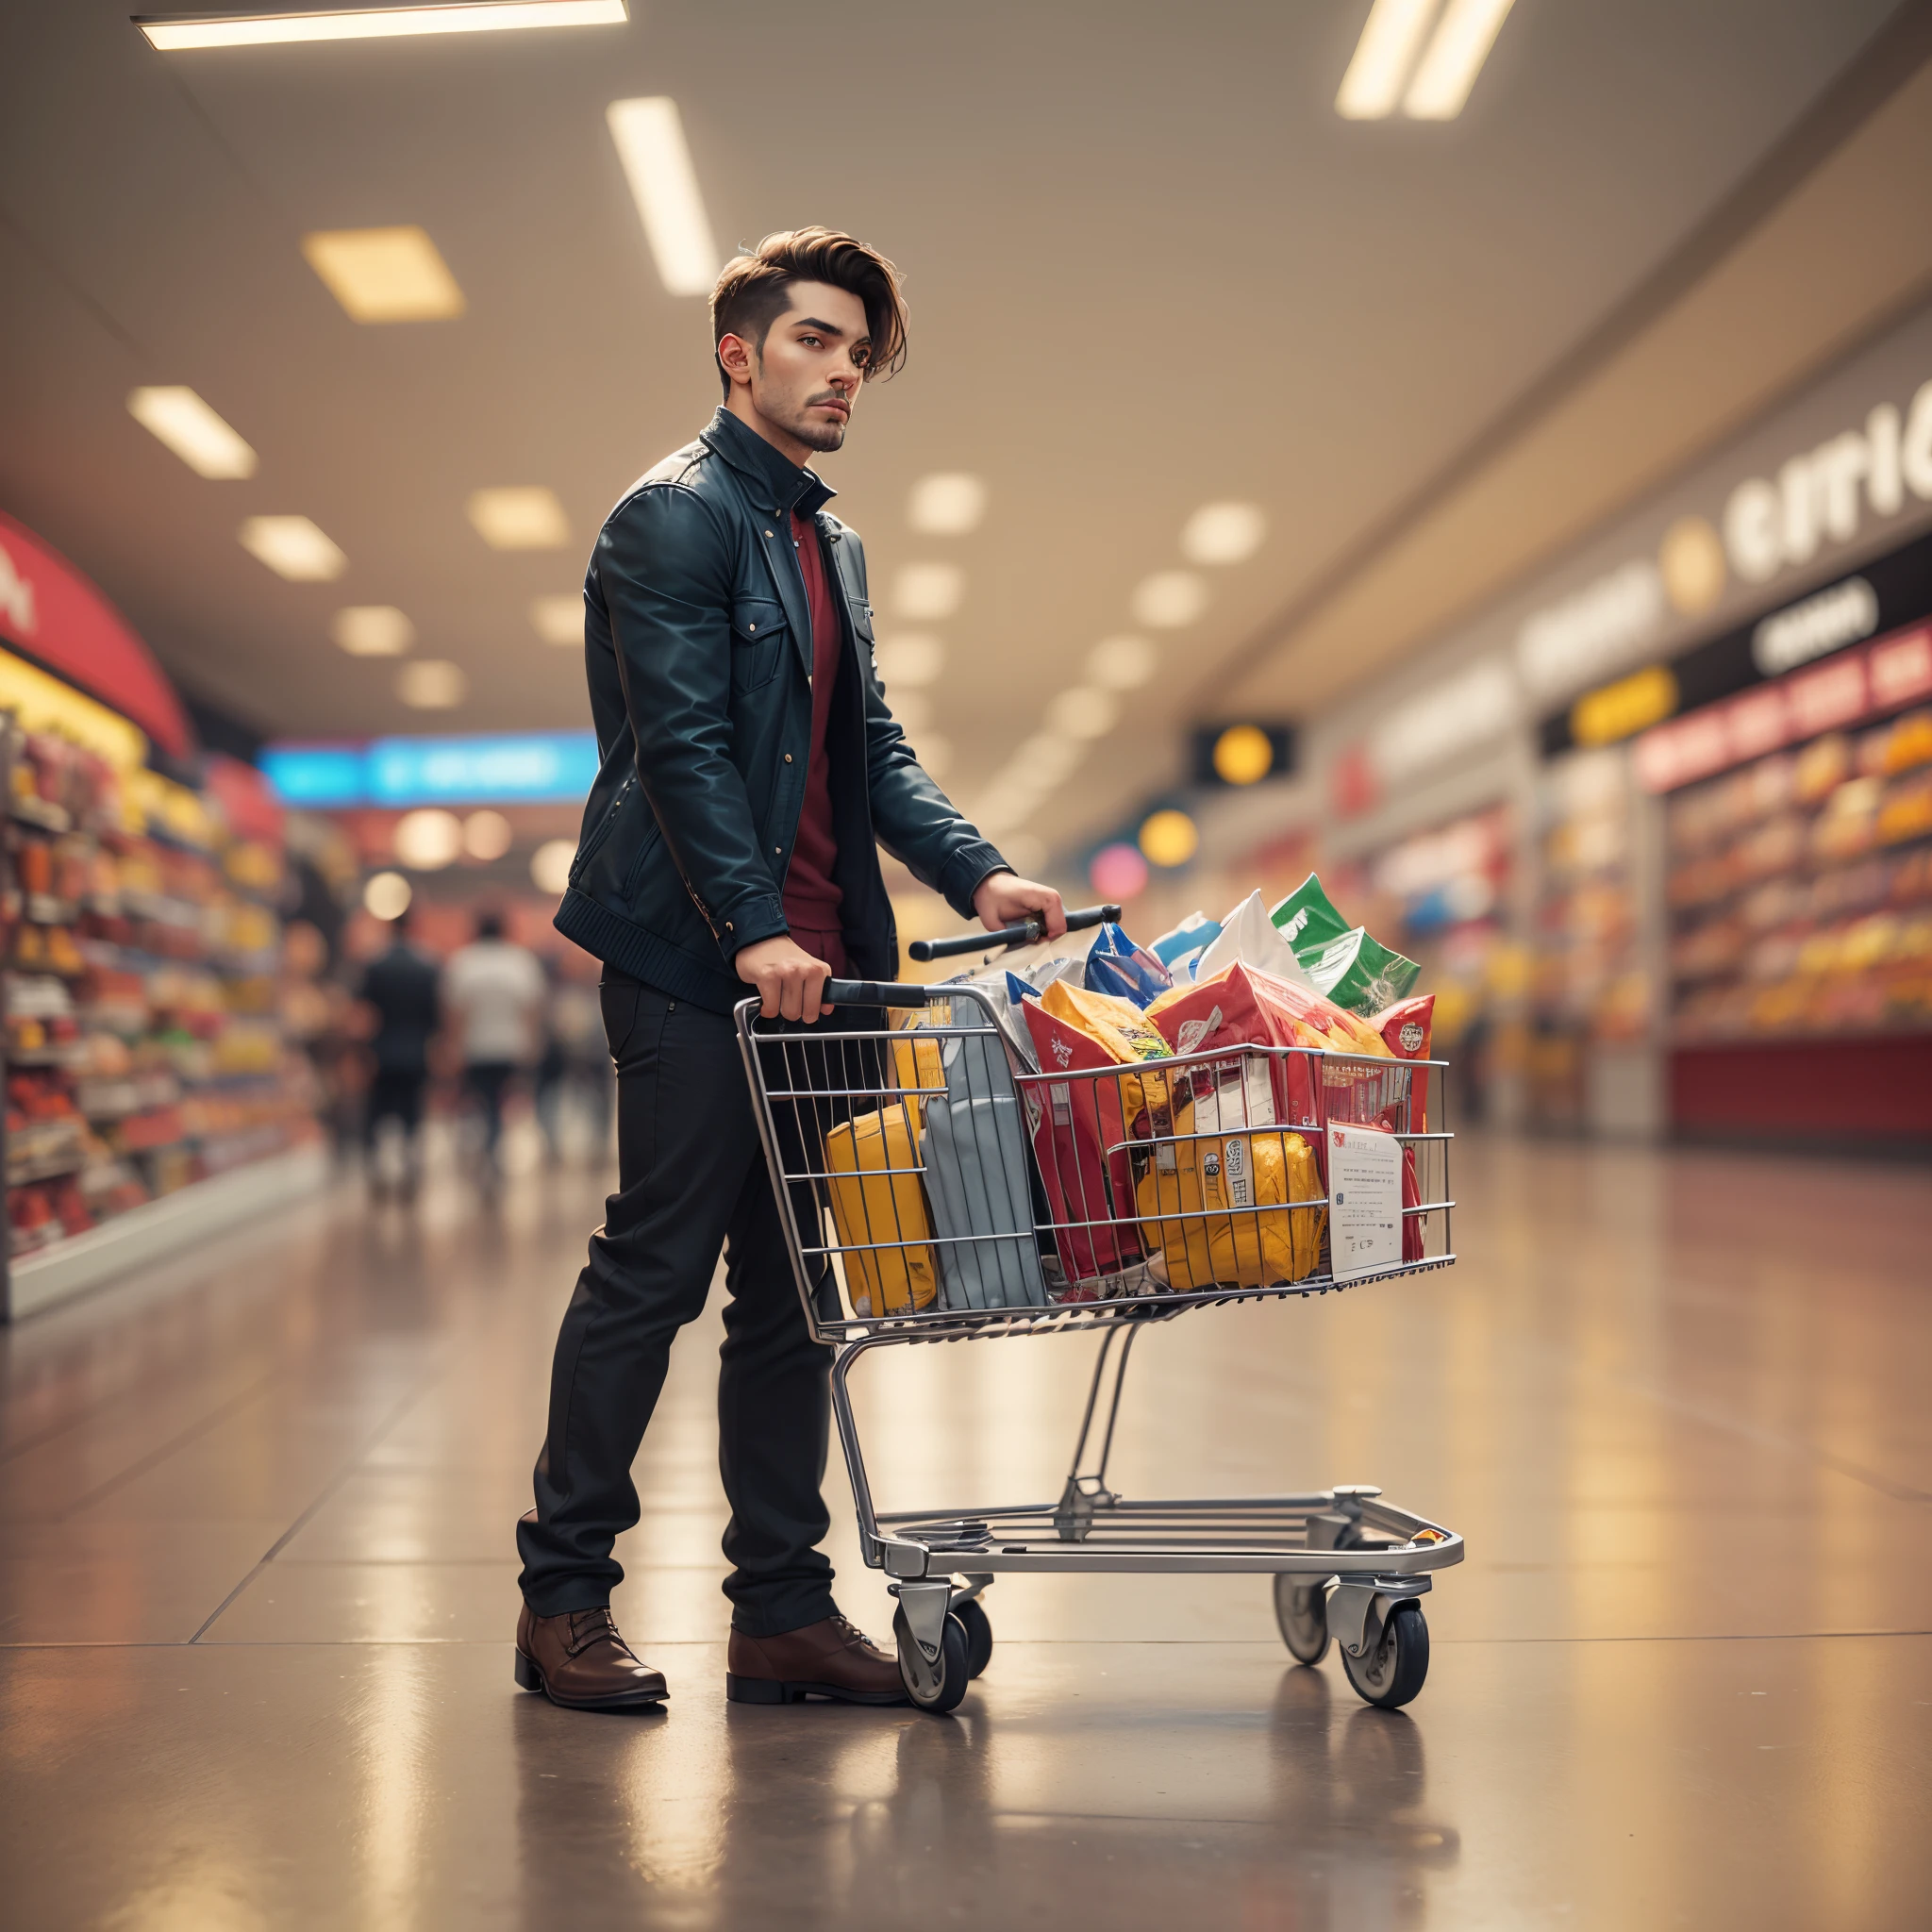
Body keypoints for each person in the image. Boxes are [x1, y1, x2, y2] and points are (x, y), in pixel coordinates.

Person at [514, 227, 1067, 1713]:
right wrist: (755, 930)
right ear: (737, 351)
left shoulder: (827, 540)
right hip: (700, 963)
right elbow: (683, 749)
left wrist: (975, 868)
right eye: (815, 341)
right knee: (654, 1275)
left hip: (825, 978)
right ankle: (561, 1599)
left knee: (799, 1300)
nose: (842, 374)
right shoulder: (671, 521)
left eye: (858, 354)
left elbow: (865, 748)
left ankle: (780, 1614)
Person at [441, 910, 547, 1187]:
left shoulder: (463, 962)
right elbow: (531, 1009)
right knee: (500, 1103)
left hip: (474, 1047)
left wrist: (452, 1047)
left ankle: (485, 1148)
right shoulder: (520, 961)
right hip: (511, 1047)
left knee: (480, 1101)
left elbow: (455, 1012)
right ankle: (492, 1149)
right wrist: (532, 1044)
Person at [355, 907, 441, 1199]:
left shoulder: (376, 964)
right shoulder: (427, 966)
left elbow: (363, 1012)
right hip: (416, 1051)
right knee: (412, 1113)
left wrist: (362, 1051)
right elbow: (435, 1014)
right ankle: (410, 1169)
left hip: (382, 1050)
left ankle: (378, 1168)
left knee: (378, 1112)